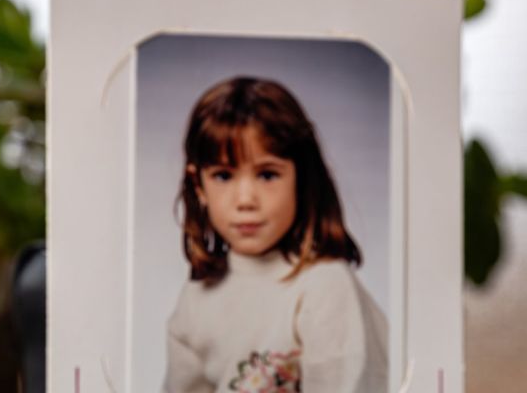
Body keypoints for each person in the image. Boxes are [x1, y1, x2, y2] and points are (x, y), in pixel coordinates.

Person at [163, 77, 388, 393]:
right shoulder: (195, 300)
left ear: (301, 179)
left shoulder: (324, 287)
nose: (245, 200)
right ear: (198, 185)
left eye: (267, 175)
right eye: (223, 176)